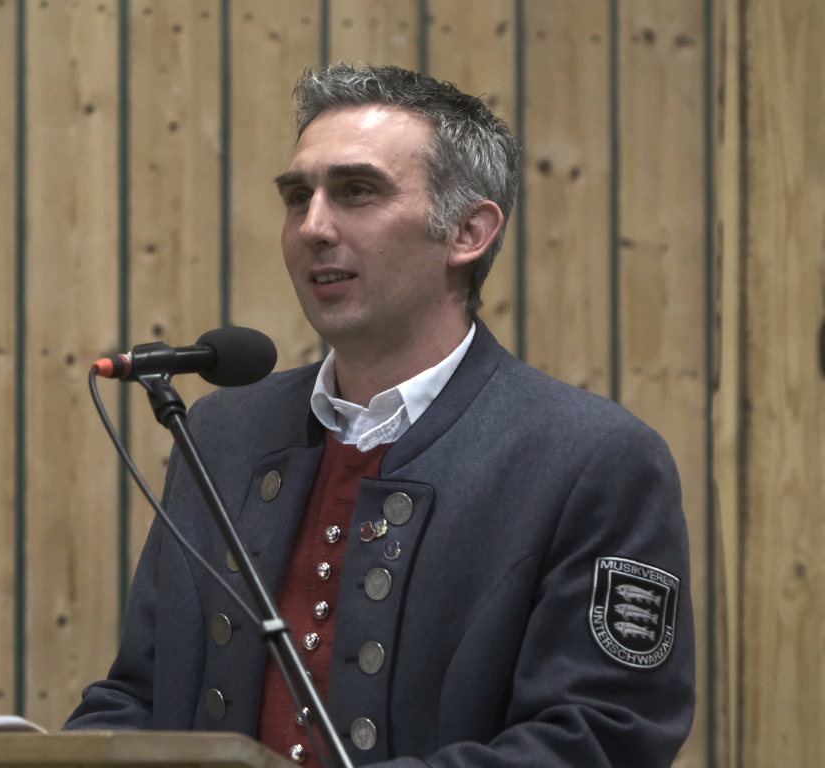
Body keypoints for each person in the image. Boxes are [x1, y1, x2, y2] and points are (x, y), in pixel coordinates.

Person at [65, 63, 695, 768]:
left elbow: (600, 737)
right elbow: (141, 694)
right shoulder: (222, 433)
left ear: (468, 231)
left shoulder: (591, 459)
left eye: (357, 192)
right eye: (297, 196)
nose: (313, 226)